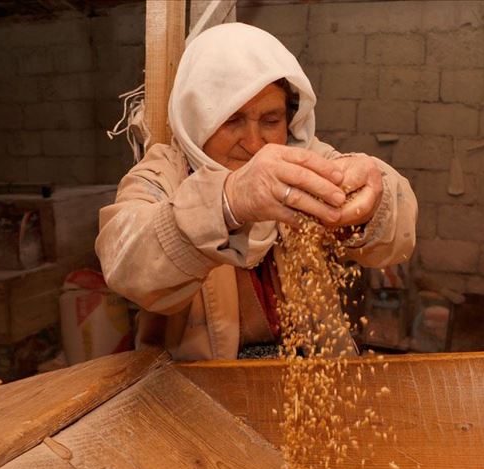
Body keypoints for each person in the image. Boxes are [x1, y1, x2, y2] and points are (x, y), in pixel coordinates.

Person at [95, 24, 417, 361]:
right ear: (197, 118)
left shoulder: (302, 160)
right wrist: (228, 201)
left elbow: (397, 229)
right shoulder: (164, 172)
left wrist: (371, 201)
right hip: (196, 389)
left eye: (270, 120)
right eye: (231, 120)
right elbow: (126, 261)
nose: (254, 143)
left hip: (304, 375)